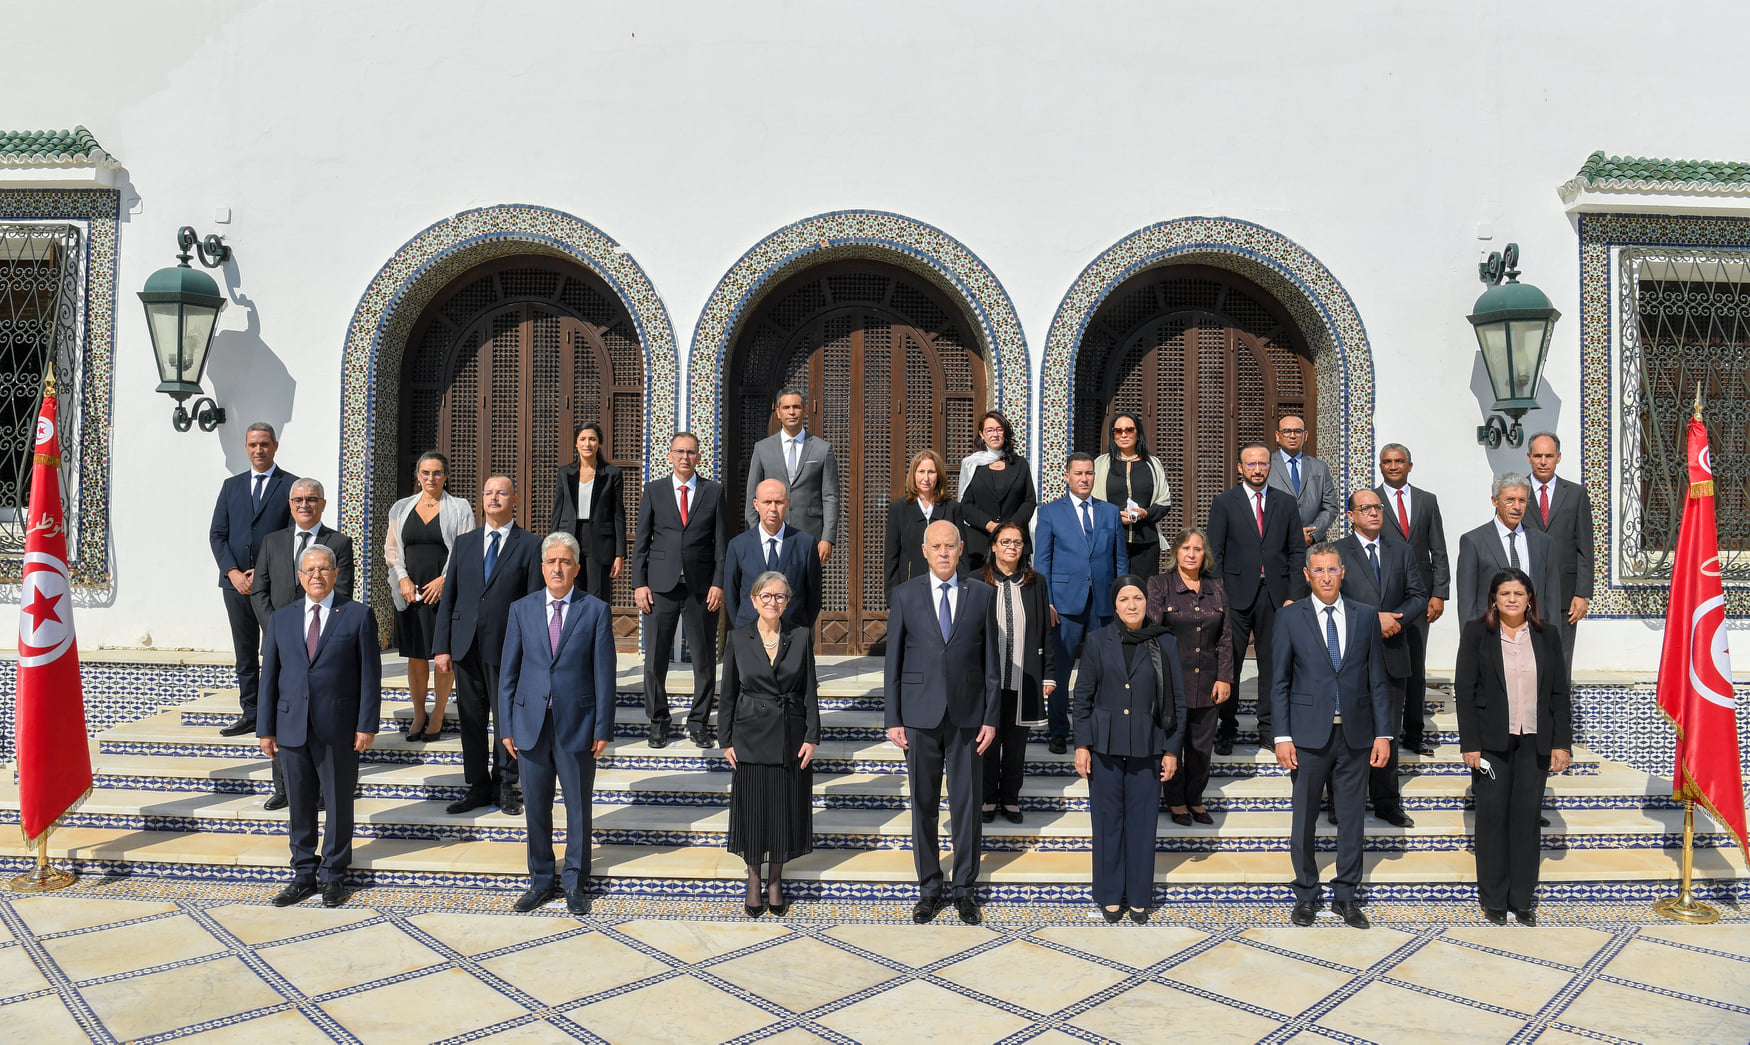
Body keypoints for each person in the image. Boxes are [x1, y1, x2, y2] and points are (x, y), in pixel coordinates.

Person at [1271, 543, 1393, 930]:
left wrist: (1384, 733)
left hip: (1356, 735)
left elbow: (1378, 679)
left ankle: (1346, 895)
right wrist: (1282, 736)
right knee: (1304, 818)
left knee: (1353, 819)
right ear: (1307, 575)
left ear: (1343, 572)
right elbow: (1279, 682)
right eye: (1318, 570)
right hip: (1307, 737)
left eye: (1332, 569)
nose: (1326, 577)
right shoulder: (1290, 618)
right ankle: (1306, 893)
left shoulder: (1365, 616)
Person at [884, 520, 1000, 925]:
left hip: (968, 718)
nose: (945, 553)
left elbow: (991, 663)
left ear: (961, 548)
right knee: (924, 804)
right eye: (937, 547)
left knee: (967, 806)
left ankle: (965, 888)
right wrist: (893, 717)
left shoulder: (982, 595)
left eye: (951, 546)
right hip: (918, 716)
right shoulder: (904, 595)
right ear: (925, 550)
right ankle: (930, 887)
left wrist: (990, 717)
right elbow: (893, 662)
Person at [498, 533, 617, 917]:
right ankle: (540, 880)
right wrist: (506, 726)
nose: (558, 568)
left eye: (565, 562)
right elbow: (509, 673)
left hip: (577, 724)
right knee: (536, 806)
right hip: (530, 723)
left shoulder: (594, 610)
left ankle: (576, 881)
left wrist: (603, 727)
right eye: (551, 562)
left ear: (577, 568)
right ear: (542, 567)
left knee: (578, 807)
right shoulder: (521, 609)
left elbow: (605, 673)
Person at [257, 544, 381, 909]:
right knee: (299, 804)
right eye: (309, 570)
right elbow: (270, 677)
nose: (316, 575)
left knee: (340, 804)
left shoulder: (357, 615)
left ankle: (334, 875)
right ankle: (302, 874)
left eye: (323, 569)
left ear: (335, 574)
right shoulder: (281, 618)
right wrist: (266, 728)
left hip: (339, 728)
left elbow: (370, 676)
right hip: (291, 725)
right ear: (299, 576)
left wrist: (366, 724)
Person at [1454, 568, 1572, 926]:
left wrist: (1561, 744)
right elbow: (1465, 690)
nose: (1512, 600)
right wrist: (1470, 743)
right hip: (1491, 745)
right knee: (1491, 819)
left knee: (1525, 821)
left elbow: (1558, 693)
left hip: (1534, 743)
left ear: (1529, 598)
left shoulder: (1547, 635)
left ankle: (1522, 900)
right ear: (1494, 598)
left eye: (1519, 594)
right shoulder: (1477, 633)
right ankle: (1492, 899)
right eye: (1505, 593)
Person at [1073, 576, 1185, 923]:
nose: (1132, 605)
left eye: (1137, 598)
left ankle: (1138, 895)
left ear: (1146, 603)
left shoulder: (1163, 641)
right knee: (1107, 823)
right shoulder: (1096, 641)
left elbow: (1178, 701)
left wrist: (1171, 750)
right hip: (1104, 747)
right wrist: (1082, 744)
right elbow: (1083, 698)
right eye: (1124, 599)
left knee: (1141, 824)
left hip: (1148, 745)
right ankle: (1109, 894)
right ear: (1114, 604)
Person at [434, 475, 545, 816]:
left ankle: (506, 785)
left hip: (509, 647)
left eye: (502, 492)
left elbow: (533, 601)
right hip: (465, 645)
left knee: (506, 718)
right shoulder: (465, 543)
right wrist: (442, 646)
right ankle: (477, 786)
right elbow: (449, 596)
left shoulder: (529, 544)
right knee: (471, 718)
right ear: (481, 500)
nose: (494, 497)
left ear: (515, 500)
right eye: (488, 492)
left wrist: (533, 649)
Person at [250, 477, 356, 811]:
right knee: (284, 708)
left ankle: (325, 789)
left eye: (312, 499)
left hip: (322, 643)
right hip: (281, 642)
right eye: (298, 499)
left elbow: (344, 591)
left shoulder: (338, 543)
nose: (305, 504)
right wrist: (281, 630)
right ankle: (284, 787)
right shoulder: (272, 542)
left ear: (323, 504)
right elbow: (259, 591)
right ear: (290, 505)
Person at [720, 571, 821, 917]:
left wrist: (812, 736)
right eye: (766, 596)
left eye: (779, 597)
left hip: (789, 737)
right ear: (753, 600)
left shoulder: (801, 636)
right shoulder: (737, 637)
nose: (772, 602)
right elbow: (729, 693)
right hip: (749, 734)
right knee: (752, 813)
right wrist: (724, 739)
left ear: (787, 602)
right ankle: (752, 878)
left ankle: (775, 879)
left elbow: (810, 690)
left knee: (782, 811)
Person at [1331, 489, 1427, 829]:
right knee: (1347, 734)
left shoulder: (1400, 550)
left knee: (1387, 731)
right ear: (1351, 515)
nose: (1374, 512)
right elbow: (1329, 597)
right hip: (1349, 657)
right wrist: (1376, 619)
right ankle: (1341, 802)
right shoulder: (1337, 552)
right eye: (1366, 508)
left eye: (1378, 507)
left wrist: (1395, 619)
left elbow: (1419, 595)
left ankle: (1387, 802)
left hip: (1392, 653)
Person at [1206, 443, 1305, 754]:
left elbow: (1296, 551)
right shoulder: (1224, 503)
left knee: (1273, 664)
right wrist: (1218, 595)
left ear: (1270, 467)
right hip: (1234, 596)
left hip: (1276, 597)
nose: (1258, 469)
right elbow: (1215, 552)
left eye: (1263, 463)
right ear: (1240, 468)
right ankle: (1227, 727)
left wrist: (1293, 595)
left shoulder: (1286, 503)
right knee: (1229, 664)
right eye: (1251, 464)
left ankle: (1269, 727)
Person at [633, 432, 728, 749]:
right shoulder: (654, 490)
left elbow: (721, 545)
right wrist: (639, 583)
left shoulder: (713, 492)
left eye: (691, 452)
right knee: (655, 659)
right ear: (669, 456)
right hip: (660, 586)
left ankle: (699, 722)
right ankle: (658, 721)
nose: (685, 457)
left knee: (703, 660)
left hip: (701, 588)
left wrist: (719, 582)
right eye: (679, 452)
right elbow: (642, 542)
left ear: (699, 457)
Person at [1035, 453, 1128, 754]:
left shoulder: (1110, 512)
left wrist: (1122, 600)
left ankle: (1093, 731)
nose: (1084, 478)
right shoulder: (1050, 512)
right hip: (1064, 605)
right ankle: (1058, 730)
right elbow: (1042, 561)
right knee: (1060, 672)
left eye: (1089, 473)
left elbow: (1120, 561)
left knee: (1100, 671)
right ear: (1067, 476)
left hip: (1102, 605)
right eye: (1078, 473)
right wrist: (1046, 602)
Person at [209, 422, 298, 737]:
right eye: (252, 445)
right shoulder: (231, 487)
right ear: (246, 448)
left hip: (274, 586)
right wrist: (233, 572)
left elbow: (292, 535)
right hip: (234, 585)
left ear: (275, 446)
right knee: (244, 651)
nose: (258, 450)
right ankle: (251, 713)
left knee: (278, 649)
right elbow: (217, 535)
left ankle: (278, 712)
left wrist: (260, 573)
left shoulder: (291, 486)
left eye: (264, 444)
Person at [384, 450, 475, 742]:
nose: (431, 478)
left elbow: (465, 547)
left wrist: (445, 580)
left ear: (446, 476)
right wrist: (403, 579)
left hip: (444, 592)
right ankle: (419, 711)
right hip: (410, 592)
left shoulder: (460, 507)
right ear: (418, 476)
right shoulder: (401, 508)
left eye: (437, 473)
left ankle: (437, 712)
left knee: (441, 657)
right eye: (425, 472)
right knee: (415, 656)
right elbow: (393, 550)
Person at [1147, 528, 1234, 827]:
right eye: (1186, 548)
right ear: (1176, 553)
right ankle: (1176, 801)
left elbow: (1225, 638)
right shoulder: (1160, 585)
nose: (1192, 554)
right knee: (1173, 743)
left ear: (1204, 555)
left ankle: (1195, 798)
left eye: (1197, 549)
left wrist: (1225, 677)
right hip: (1172, 681)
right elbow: (1153, 633)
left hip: (1207, 682)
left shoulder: (1217, 588)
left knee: (1201, 748)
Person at [1376, 442, 1450, 757]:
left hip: (1420, 596)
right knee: (1382, 665)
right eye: (1387, 462)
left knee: (1416, 668)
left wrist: (1440, 593)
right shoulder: (1372, 501)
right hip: (1384, 596)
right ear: (1381, 466)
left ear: (1409, 465)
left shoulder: (1427, 501)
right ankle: (1383, 729)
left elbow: (1439, 549)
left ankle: (1414, 733)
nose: (1393, 466)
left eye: (1399, 461)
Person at [981, 521, 1054, 826]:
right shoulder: (976, 581)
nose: (1012, 547)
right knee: (986, 742)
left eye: (1018, 542)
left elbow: (1046, 633)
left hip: (1025, 679)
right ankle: (986, 798)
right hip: (988, 682)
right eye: (1005, 541)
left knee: (1016, 745)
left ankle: (1010, 798)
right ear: (994, 545)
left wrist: (1048, 674)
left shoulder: (1036, 583)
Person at [1455, 473, 1563, 643]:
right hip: (1490, 634)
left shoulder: (1543, 542)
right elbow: (1467, 601)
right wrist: (1470, 642)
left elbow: (1552, 599)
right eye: (1510, 500)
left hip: (1533, 634)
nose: (1517, 507)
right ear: (1495, 501)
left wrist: (1553, 640)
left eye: (1522, 500)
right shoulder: (1473, 541)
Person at [744, 387, 840, 565]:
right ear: (778, 411)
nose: (791, 412)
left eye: (796, 407)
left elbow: (830, 497)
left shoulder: (822, 449)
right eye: (786, 407)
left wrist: (828, 538)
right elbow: (752, 495)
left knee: (806, 589)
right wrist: (753, 532)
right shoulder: (762, 448)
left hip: (810, 534)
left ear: (805, 410)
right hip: (770, 534)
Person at [1522, 432, 1594, 663]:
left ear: (1558, 457)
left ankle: (1559, 701)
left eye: (1549, 456)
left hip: (1565, 597)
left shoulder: (1576, 495)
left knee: (1560, 662)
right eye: (1538, 455)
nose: (1543, 461)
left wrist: (1582, 594)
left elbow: (1585, 548)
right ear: (1529, 457)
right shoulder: (1515, 494)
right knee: (1525, 662)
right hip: (1523, 594)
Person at [724, 479, 822, 630]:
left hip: (793, 633)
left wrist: (801, 630)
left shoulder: (805, 544)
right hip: (750, 634)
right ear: (756, 504)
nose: (773, 508)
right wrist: (743, 628)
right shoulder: (738, 546)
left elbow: (813, 595)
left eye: (779, 502)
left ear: (787, 503)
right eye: (767, 502)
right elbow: (731, 595)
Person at [549, 421, 625, 605]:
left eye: (592, 439)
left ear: (599, 443)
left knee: (597, 596)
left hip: (600, 540)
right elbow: (557, 511)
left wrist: (619, 554)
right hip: (570, 537)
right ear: (576, 443)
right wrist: (552, 545)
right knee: (571, 591)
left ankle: (596, 633)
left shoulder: (611, 474)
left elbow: (618, 515)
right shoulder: (565, 473)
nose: (587, 444)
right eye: (582, 439)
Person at [1093, 412, 1172, 577]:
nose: (1124, 435)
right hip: (1111, 541)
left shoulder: (1153, 464)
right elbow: (1092, 503)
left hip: (1146, 542)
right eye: (1118, 431)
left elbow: (1164, 503)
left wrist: (1145, 513)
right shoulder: (1101, 463)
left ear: (1138, 433)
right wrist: (1115, 515)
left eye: (1129, 430)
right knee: (1111, 592)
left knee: (1141, 593)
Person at [958, 410, 1036, 573]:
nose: (995, 434)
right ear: (982, 434)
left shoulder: (1020, 464)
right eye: (990, 430)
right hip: (979, 546)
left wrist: (1009, 528)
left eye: (999, 429)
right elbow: (965, 505)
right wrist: (990, 525)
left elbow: (1029, 500)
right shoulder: (972, 465)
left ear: (1005, 432)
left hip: (1015, 544)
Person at [885, 449, 965, 597]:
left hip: (947, 589)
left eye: (931, 472)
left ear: (939, 475)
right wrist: (892, 597)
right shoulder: (898, 509)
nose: (926, 478)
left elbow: (963, 556)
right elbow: (891, 558)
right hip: (910, 589)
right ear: (913, 475)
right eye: (921, 471)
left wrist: (963, 591)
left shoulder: (953, 508)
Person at [1268, 415, 1339, 544]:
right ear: (1278, 436)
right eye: (1286, 431)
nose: (1292, 436)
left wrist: (1312, 534)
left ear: (1305, 435)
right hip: (1277, 544)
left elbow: (1330, 507)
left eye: (1297, 431)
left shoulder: (1320, 467)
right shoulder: (1267, 466)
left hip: (1313, 545)